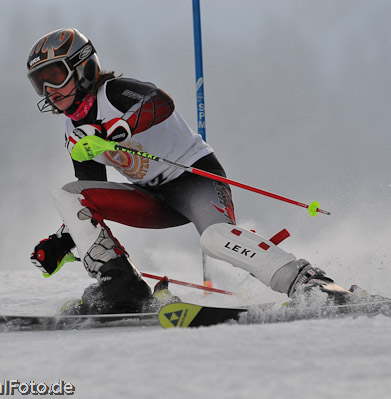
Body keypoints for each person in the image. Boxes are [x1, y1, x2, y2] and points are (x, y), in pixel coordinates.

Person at [27, 28, 343, 315]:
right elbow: (91, 193)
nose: (49, 90)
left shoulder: (113, 93)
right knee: (68, 195)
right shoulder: (73, 130)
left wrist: (115, 130)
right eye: (39, 82)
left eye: (55, 75)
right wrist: (63, 239)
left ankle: (308, 282)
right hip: (153, 199)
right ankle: (121, 286)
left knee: (215, 238)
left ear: (82, 67)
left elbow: (160, 102)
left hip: (196, 179)